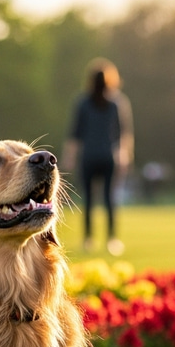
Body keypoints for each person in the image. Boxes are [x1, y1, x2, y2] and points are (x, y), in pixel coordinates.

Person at [63, 58, 134, 256]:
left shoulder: (83, 102)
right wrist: (125, 156)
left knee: (88, 200)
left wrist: (69, 157)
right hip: (108, 156)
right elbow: (123, 133)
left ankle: (88, 239)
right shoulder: (116, 102)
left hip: (89, 157)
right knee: (109, 199)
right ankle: (112, 239)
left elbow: (74, 134)